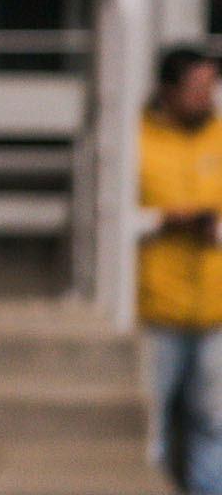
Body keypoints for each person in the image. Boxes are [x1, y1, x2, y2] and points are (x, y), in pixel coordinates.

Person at [140, 43, 222, 495]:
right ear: (167, 89)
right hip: (156, 307)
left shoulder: (220, 137)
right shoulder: (138, 138)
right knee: (150, 424)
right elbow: (123, 214)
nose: (205, 95)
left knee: (212, 420)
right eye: (195, 86)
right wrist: (171, 218)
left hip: (214, 307)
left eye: (211, 86)